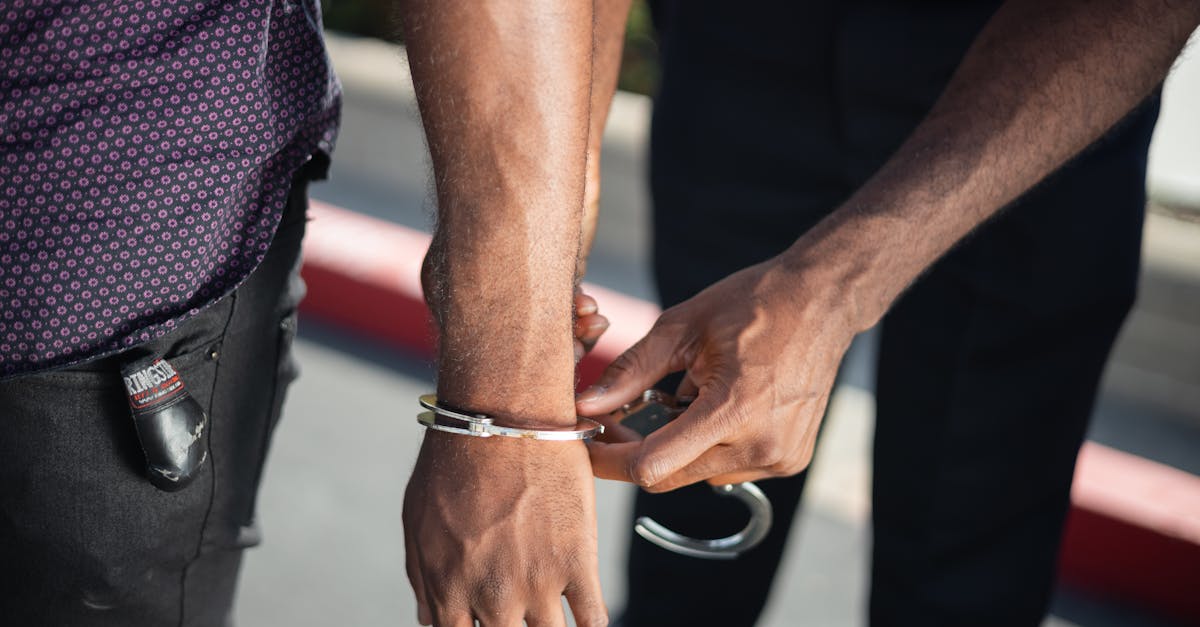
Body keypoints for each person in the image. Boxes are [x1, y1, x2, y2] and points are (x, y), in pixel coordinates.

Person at [398, 0, 1200, 626]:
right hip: (736, 57)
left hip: (1031, 94)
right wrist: (560, 175)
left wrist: (832, 289)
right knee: (689, 534)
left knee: (965, 583)